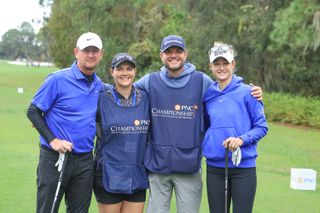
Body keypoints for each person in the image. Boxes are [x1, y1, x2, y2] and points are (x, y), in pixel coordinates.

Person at [134, 35, 263, 213]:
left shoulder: (203, 82)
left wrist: (251, 90)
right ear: (161, 55)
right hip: (159, 164)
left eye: (178, 51)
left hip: (191, 165)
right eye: (168, 52)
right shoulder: (150, 81)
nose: (173, 55)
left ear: (186, 54)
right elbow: (125, 89)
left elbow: (227, 87)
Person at [26, 32, 104, 213]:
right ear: (77, 52)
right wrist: (53, 140)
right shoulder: (57, 79)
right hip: (55, 159)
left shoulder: (99, 85)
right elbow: (33, 111)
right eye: (86, 50)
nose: (91, 55)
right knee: (47, 209)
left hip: (85, 161)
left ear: (101, 54)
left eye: (95, 51)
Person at [202, 42, 268, 213]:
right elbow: (205, 125)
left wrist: (241, 140)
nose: (221, 67)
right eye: (217, 64)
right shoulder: (208, 94)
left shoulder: (249, 92)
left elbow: (261, 127)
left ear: (233, 64)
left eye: (225, 63)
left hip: (243, 167)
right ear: (211, 66)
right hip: (215, 166)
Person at [93, 53, 150, 213]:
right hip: (107, 172)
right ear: (112, 71)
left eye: (129, 68)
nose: (125, 73)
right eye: (120, 69)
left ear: (135, 71)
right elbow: (77, 114)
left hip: (136, 172)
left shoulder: (146, 98)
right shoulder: (101, 99)